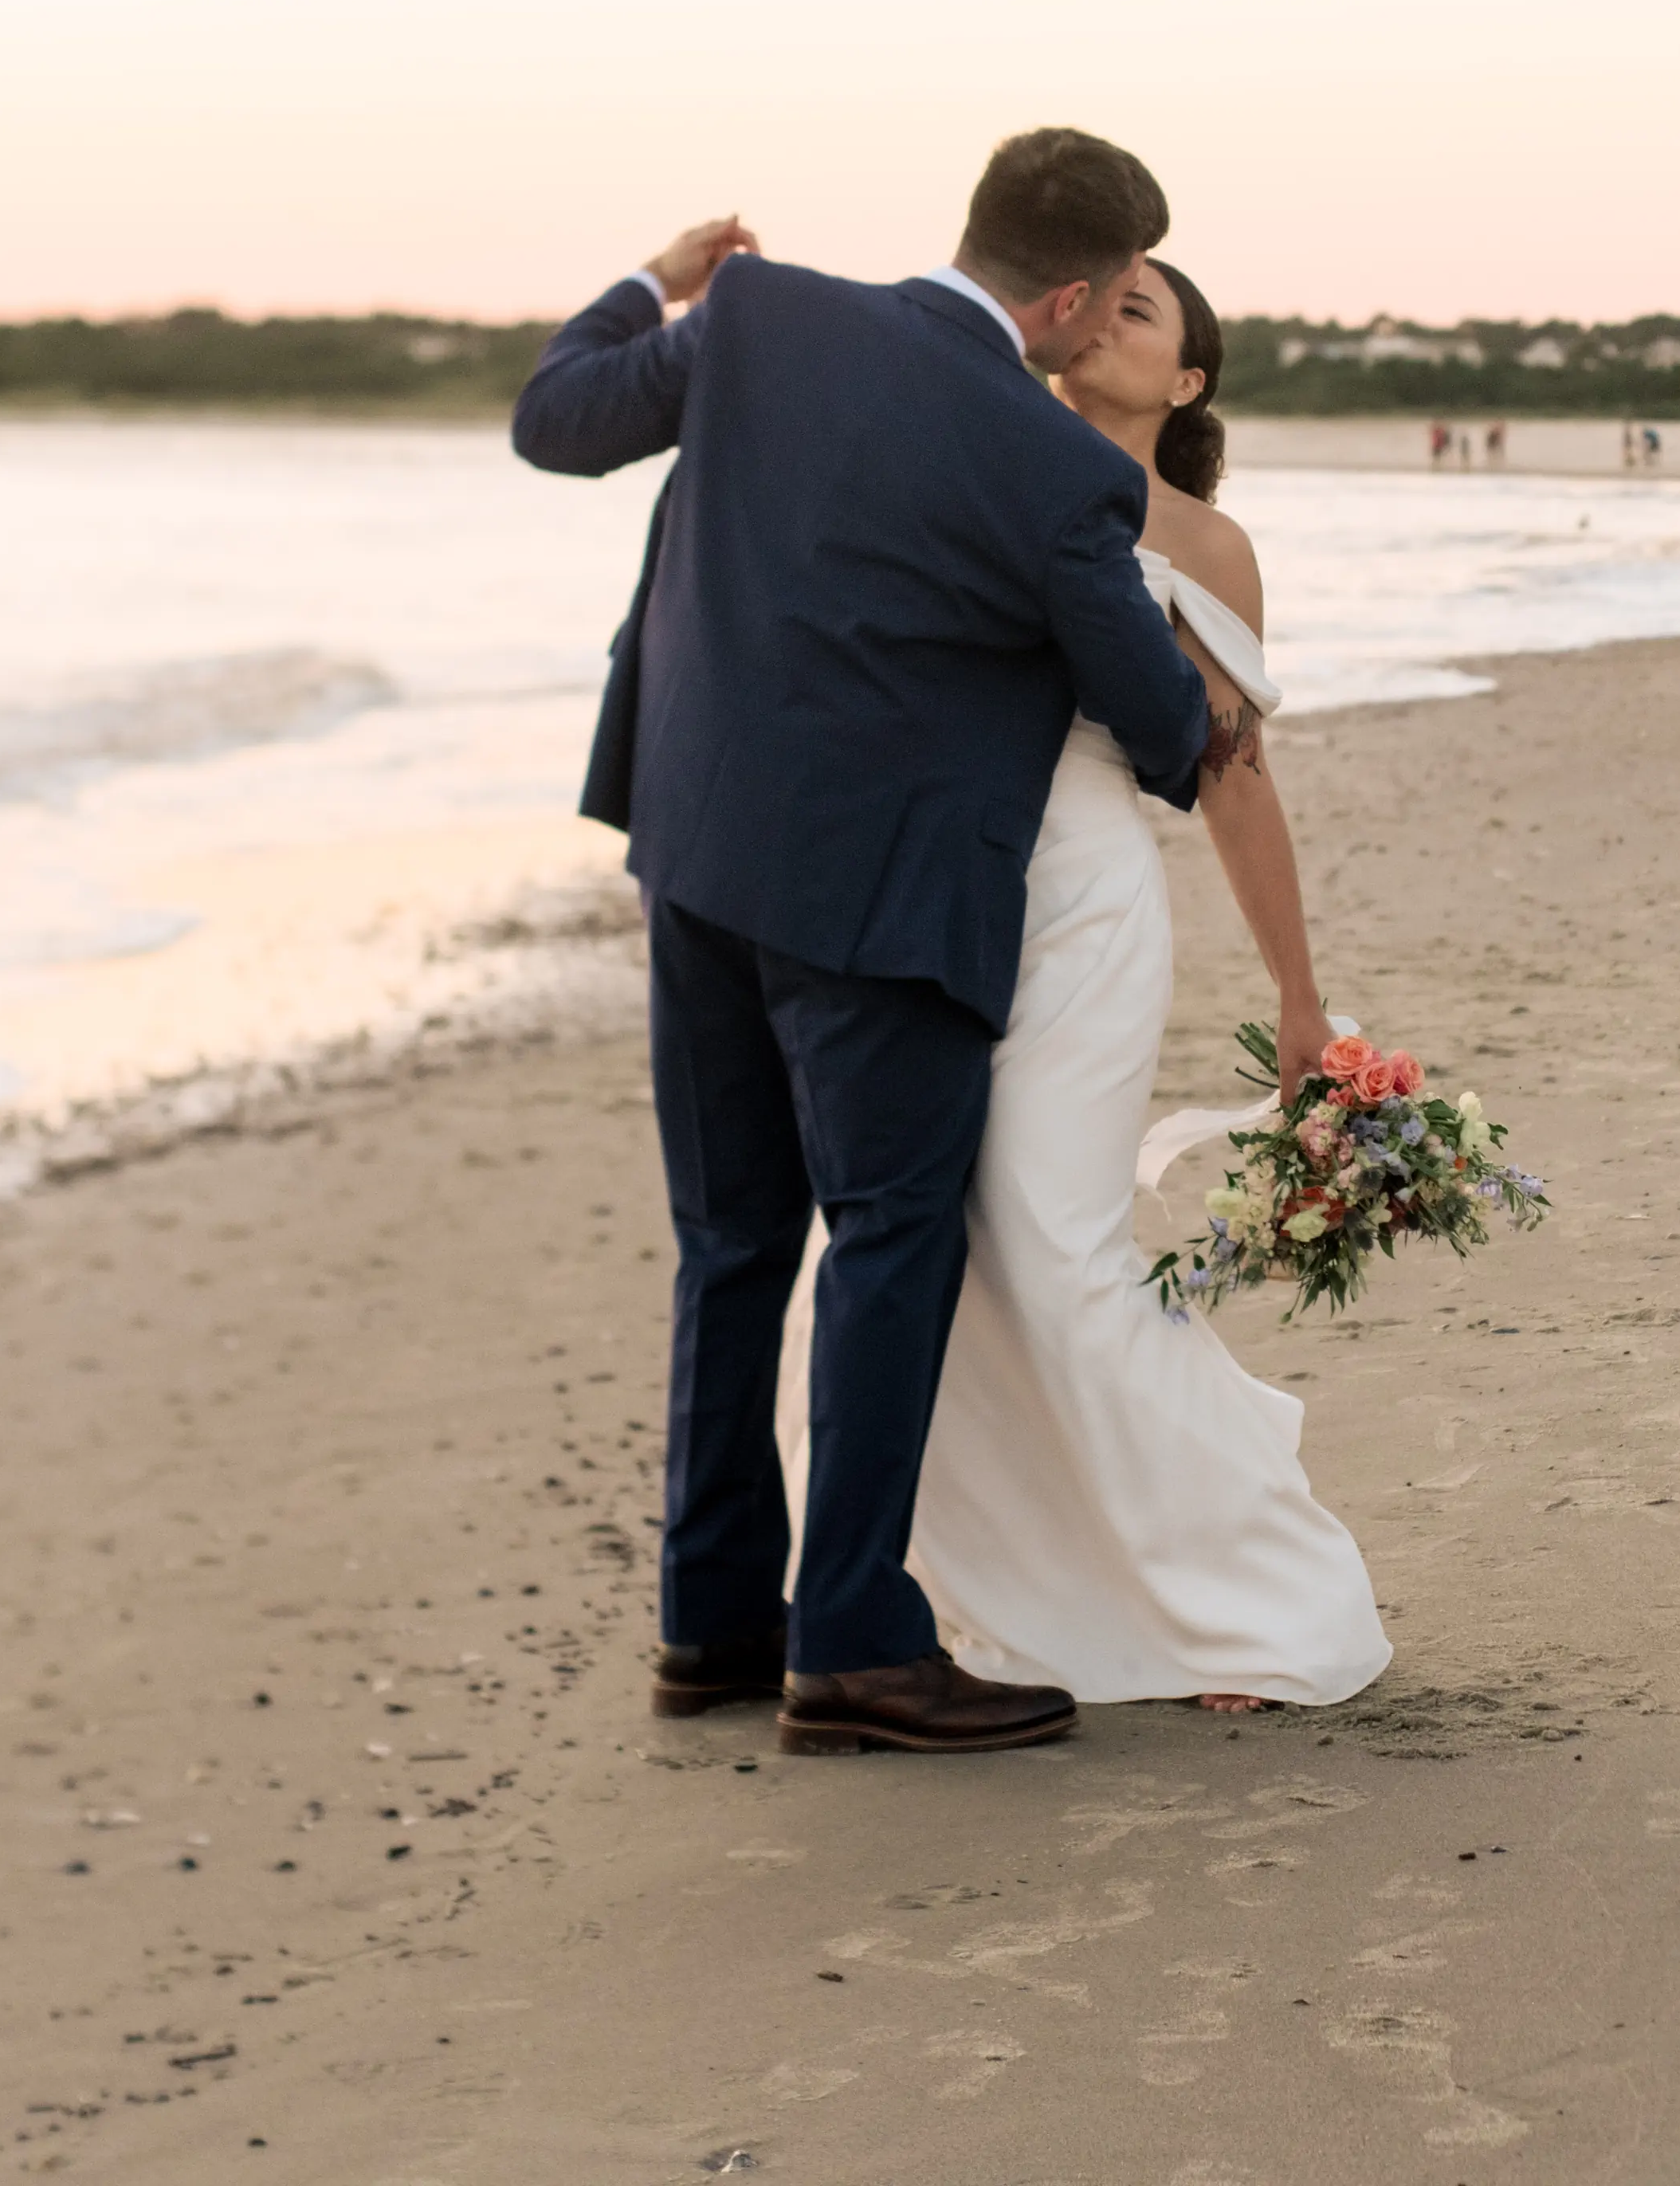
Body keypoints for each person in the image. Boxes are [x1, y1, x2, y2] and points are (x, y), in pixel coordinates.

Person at [511, 132, 1212, 1755]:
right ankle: (850, 1648)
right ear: (1067, 295)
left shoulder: (758, 322)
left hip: (691, 853)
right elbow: (1164, 733)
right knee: (889, 1239)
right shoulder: (1058, 473)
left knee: (732, 1243)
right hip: (882, 906)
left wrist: (657, 282)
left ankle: (708, 1631)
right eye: (1112, 296)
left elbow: (557, 424)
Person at [779, 258, 1391, 1715]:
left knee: (1057, 1246)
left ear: (1187, 382)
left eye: (1147, 311)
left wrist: (1302, 1002)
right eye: (1099, 296)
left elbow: (1235, 785)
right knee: (916, 1249)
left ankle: (1243, 1603)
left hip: (1086, 908)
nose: (1109, 314)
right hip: (931, 895)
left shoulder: (1201, 540)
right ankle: (970, 1605)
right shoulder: (975, 467)